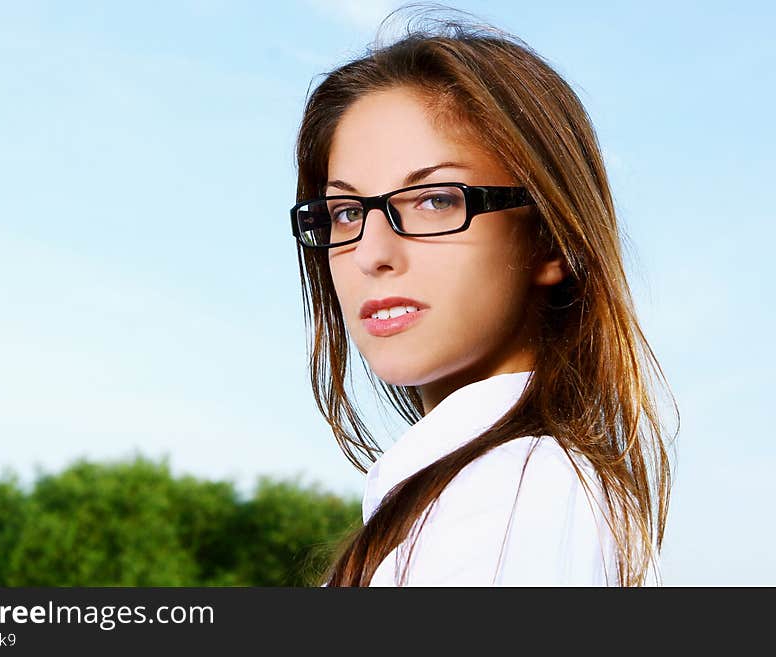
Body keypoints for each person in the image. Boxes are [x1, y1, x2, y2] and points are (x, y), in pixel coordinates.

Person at [288, 6, 677, 586]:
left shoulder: (518, 488)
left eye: (436, 200)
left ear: (551, 239)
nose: (373, 253)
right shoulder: (463, 490)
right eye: (346, 212)